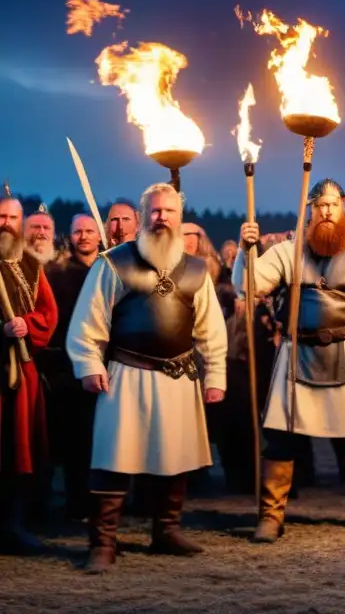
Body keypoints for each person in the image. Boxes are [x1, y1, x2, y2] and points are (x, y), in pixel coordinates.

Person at [67, 183, 228, 573]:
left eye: (169, 211)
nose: (162, 218)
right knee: (113, 458)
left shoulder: (195, 269)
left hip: (179, 377)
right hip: (126, 375)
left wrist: (216, 374)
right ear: (142, 217)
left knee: (175, 456)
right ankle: (103, 542)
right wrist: (88, 364)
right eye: (155, 211)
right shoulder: (114, 262)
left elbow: (210, 327)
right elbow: (89, 320)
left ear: (179, 217)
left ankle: (165, 531)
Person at [235, 175, 345, 542]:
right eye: (320, 205)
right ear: (310, 210)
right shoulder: (287, 252)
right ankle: (271, 515)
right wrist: (247, 252)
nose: (326, 211)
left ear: (343, 209)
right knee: (280, 439)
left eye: (334, 205)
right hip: (296, 355)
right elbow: (248, 286)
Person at [0, 188, 58, 553]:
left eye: (12, 219)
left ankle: (13, 524)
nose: (5, 225)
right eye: (0, 217)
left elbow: (48, 314)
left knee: (18, 450)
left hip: (20, 374)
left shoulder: (32, 265)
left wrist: (26, 324)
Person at [37, 214, 103, 521]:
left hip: (105, 364)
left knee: (99, 438)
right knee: (73, 439)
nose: (84, 236)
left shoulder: (109, 270)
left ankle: (100, 502)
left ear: (99, 235)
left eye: (90, 230)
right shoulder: (56, 272)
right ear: (70, 235)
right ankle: (73, 502)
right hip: (66, 365)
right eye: (78, 231)